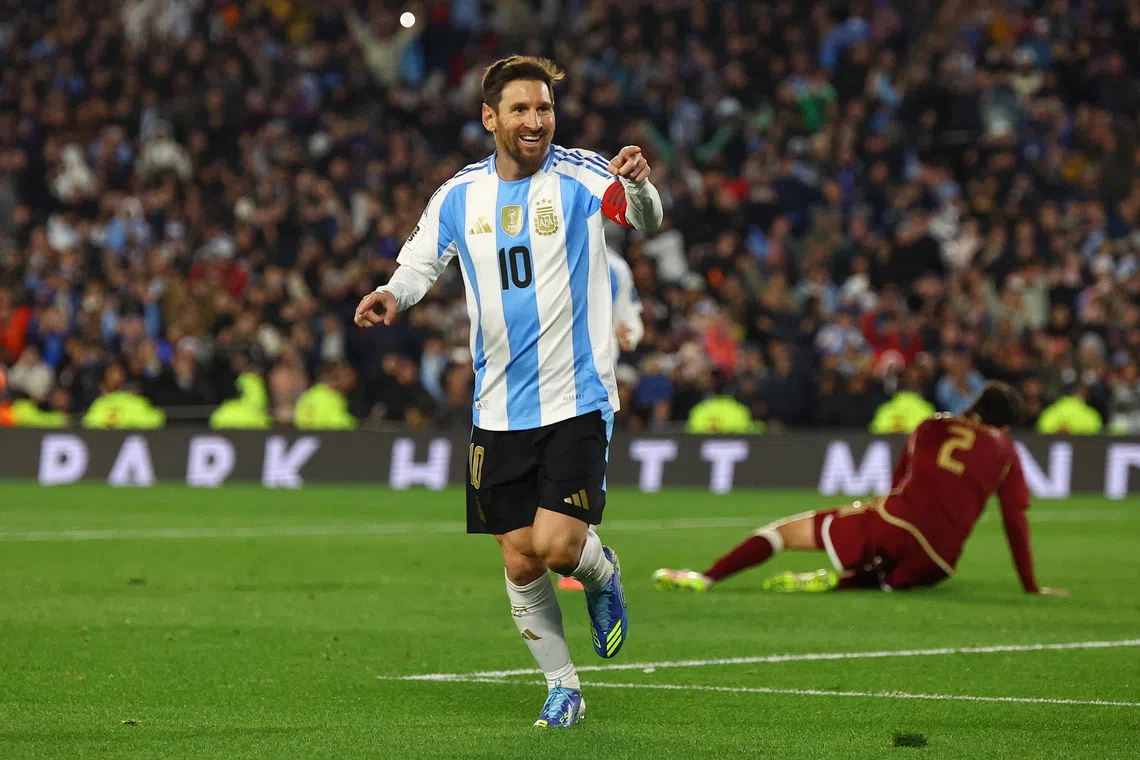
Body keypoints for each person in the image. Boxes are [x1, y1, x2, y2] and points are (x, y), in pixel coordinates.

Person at [354, 55, 663, 727]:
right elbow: (419, 262)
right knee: (519, 558)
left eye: (545, 108)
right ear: (490, 118)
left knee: (558, 546)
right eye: (521, 109)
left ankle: (602, 575)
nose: (536, 120)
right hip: (497, 409)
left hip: (576, 396)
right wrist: (390, 295)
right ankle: (563, 685)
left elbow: (644, 219)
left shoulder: (581, 174)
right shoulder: (461, 195)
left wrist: (639, 185)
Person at [653, 382, 1067, 597]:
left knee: (785, 531)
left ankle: (706, 578)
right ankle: (849, 579)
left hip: (894, 525)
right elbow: (1015, 519)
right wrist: (1030, 585)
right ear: (1004, 424)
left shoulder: (930, 425)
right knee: (894, 572)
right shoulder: (1006, 449)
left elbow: (897, 486)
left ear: (974, 406)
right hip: (939, 563)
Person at [556, 248, 644, 593]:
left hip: (591, 379)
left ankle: (582, 545)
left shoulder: (615, 265)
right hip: (544, 376)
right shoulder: (545, 246)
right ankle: (569, 547)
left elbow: (629, 314)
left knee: (581, 464)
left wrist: (629, 334)